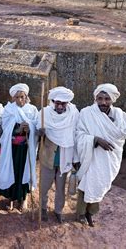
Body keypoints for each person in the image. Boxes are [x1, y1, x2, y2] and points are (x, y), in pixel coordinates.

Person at [75, 83, 126, 227]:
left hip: (109, 159)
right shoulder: (86, 113)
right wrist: (95, 139)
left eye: (107, 99)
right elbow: (78, 134)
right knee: (86, 184)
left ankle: (91, 213)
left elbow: (123, 134)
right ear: (95, 98)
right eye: (100, 98)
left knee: (101, 184)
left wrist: (112, 134)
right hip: (91, 156)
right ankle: (81, 213)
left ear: (112, 99)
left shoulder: (120, 115)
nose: (103, 102)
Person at [37, 86, 79, 223]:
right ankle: (42, 209)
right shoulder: (44, 113)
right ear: (53, 102)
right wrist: (40, 133)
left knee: (60, 189)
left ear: (67, 103)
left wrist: (75, 158)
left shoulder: (73, 114)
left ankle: (58, 211)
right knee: (44, 187)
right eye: (57, 103)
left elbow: (76, 135)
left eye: (63, 103)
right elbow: (37, 130)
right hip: (48, 157)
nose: (60, 106)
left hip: (64, 158)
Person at [0, 83, 38, 211]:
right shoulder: (9, 110)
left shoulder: (32, 110)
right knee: (12, 172)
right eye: (18, 97)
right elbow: (5, 128)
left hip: (26, 149)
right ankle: (10, 199)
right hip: (12, 149)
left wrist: (30, 127)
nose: (20, 99)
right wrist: (18, 128)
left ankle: (24, 199)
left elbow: (36, 127)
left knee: (24, 172)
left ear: (26, 96)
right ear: (13, 98)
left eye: (23, 96)